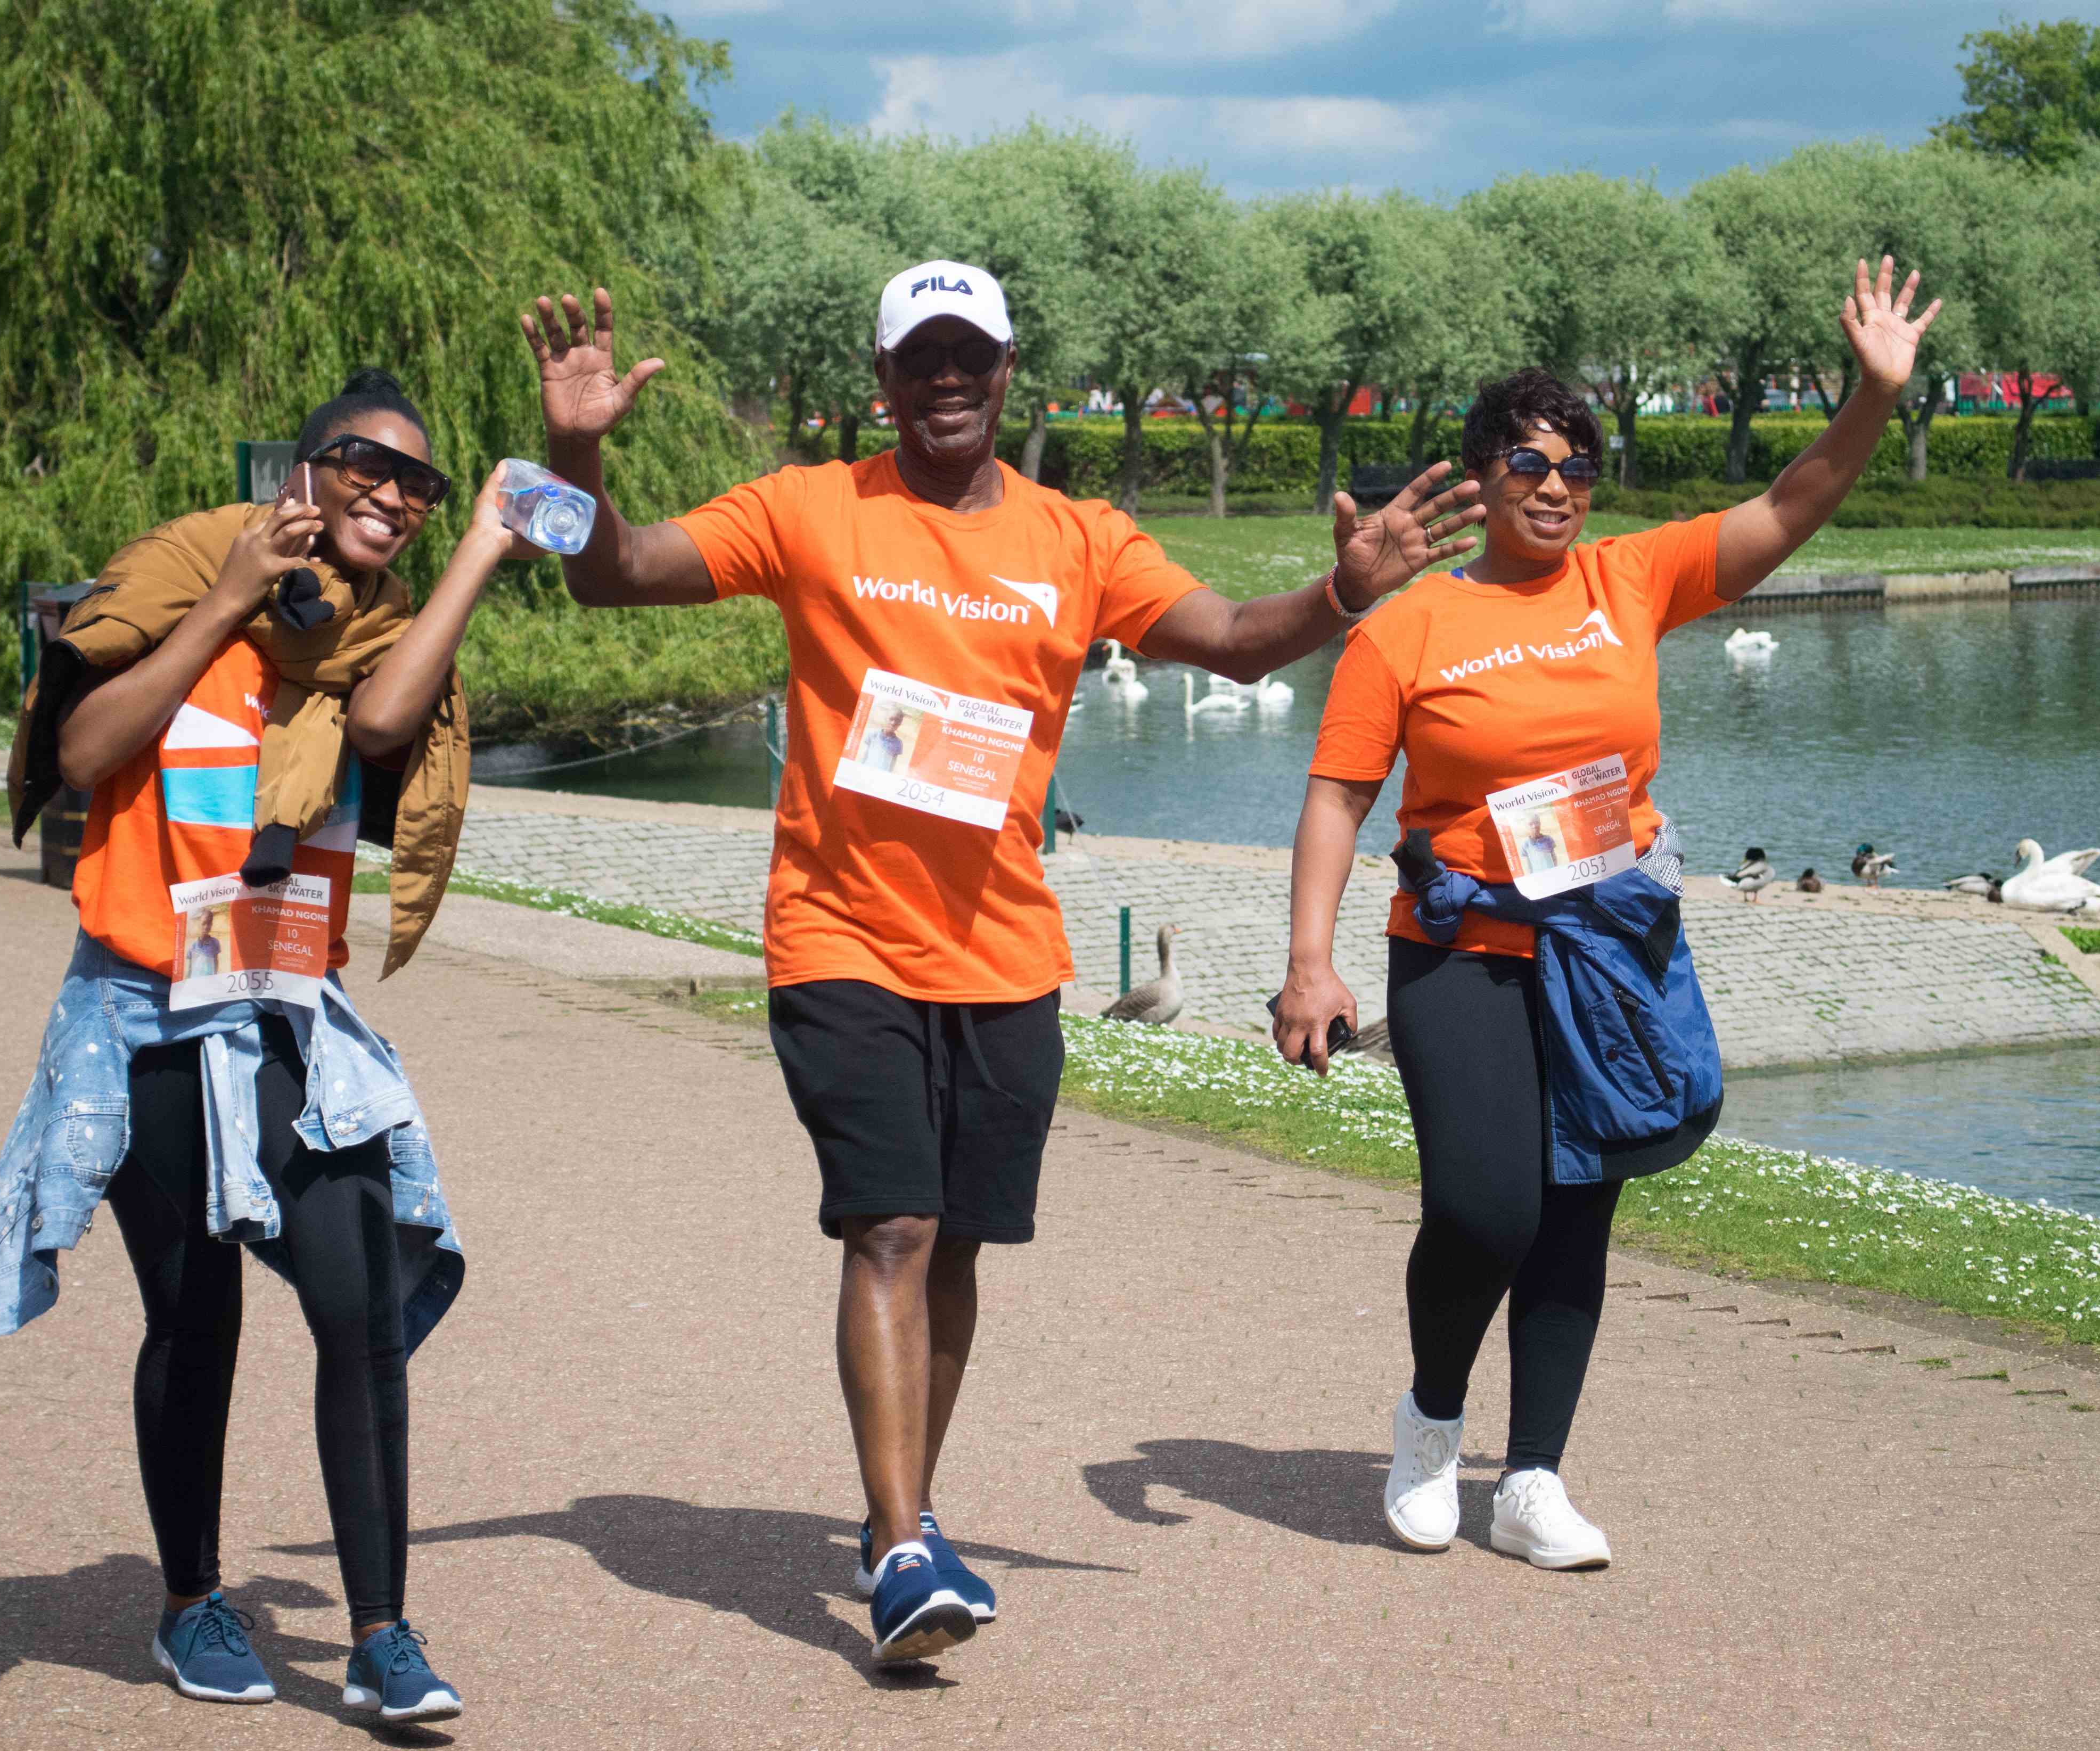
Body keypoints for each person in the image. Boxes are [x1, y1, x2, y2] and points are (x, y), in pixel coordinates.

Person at [523, 262, 1482, 1663]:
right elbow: (609, 572)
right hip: (838, 934)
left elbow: (1225, 644)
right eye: (923, 361)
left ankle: (894, 1515)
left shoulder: (1075, 538)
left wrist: (1341, 591)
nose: (948, 382)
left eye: (970, 357)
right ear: (885, 382)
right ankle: (906, 1542)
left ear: (1007, 373)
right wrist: (575, 449)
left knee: (954, 1245)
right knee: (890, 1226)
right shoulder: (807, 507)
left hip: (1003, 955)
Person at [1270, 258, 1940, 1571]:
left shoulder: (1628, 581)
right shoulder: (1403, 633)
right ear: (1479, 477)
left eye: (1577, 462)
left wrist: (1871, 394)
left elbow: (1791, 500)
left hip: (1610, 950)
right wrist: (1309, 962)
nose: (1557, 484)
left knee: (1579, 1202)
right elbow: (1337, 800)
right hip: (1459, 949)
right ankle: (1428, 1420)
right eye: (1528, 461)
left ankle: (1530, 1477)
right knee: (1483, 1207)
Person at [0, 368, 531, 1724]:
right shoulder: (190, 600)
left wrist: (491, 545)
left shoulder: (372, 646)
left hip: (278, 1010)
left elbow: (386, 724)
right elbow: (89, 750)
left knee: (359, 1305)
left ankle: (382, 1631)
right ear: (305, 470)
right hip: (148, 1008)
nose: (393, 493)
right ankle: (189, 1598)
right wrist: (222, 599)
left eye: (419, 482)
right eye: (365, 464)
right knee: (195, 1313)